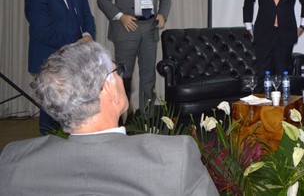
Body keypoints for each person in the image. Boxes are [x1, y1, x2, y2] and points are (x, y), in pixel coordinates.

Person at [0, 41, 218, 195]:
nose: (122, 78)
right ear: (108, 89)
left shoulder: (14, 160)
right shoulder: (174, 157)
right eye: (117, 71)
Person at [25, 0, 96, 134]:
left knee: (76, 107)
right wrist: (74, 45)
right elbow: (43, 32)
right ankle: (49, 145)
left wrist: (87, 35)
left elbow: (87, 16)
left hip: (77, 56)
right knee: (52, 110)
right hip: (51, 60)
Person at [97, 0, 171, 113]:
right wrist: (120, 16)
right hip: (126, 27)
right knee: (124, 75)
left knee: (148, 75)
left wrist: (162, 14)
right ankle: (123, 115)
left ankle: (147, 117)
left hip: (149, 28)